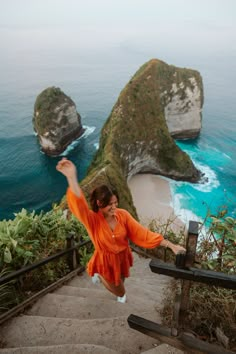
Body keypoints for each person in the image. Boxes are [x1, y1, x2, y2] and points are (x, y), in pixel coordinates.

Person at [56, 158, 186, 303]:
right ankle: (101, 275)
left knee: (122, 278)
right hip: (105, 259)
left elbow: (142, 233)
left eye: (115, 203)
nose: (114, 207)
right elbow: (79, 206)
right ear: (99, 203)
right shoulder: (93, 220)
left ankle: (108, 282)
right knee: (119, 289)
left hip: (122, 257)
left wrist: (171, 245)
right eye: (110, 204)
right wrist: (71, 177)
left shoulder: (122, 215)